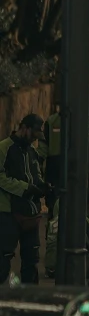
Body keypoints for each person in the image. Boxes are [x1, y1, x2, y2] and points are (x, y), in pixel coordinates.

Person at [0, 112, 45, 284]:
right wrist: (24, 189)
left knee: (31, 260)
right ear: (24, 128)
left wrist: (42, 187)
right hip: (8, 212)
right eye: (33, 134)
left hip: (31, 214)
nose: (34, 139)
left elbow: (36, 175)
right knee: (4, 259)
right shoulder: (4, 148)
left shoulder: (32, 151)